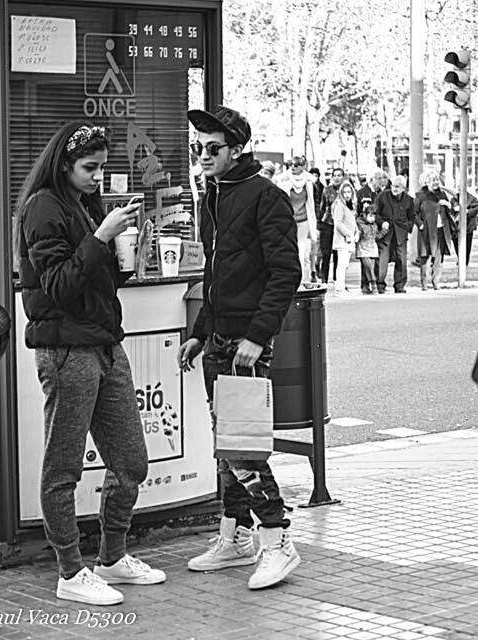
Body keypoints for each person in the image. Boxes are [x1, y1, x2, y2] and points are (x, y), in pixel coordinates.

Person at [16, 121, 166, 606]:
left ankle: (112, 556)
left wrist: (128, 254)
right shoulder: (43, 208)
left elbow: (95, 284)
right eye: (89, 167)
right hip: (65, 352)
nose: (98, 176)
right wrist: (100, 237)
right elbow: (58, 286)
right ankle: (69, 570)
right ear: (64, 164)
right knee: (63, 468)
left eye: (102, 167)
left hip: (104, 344)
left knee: (131, 462)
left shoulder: (85, 205)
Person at [178, 105, 302, 590]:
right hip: (219, 338)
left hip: (246, 342)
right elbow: (216, 275)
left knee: (242, 448)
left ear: (236, 150)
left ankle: (276, 540)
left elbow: (284, 272)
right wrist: (199, 331)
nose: (203, 157)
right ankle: (236, 535)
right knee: (226, 447)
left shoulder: (265, 197)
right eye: (198, 148)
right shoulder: (214, 194)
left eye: (212, 149)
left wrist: (258, 336)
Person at [414, 169, 455, 290]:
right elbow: (414, 213)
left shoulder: (442, 193)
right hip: (426, 230)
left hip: (441, 229)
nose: (436, 182)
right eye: (433, 180)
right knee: (424, 255)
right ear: (426, 182)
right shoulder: (420, 195)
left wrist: (448, 205)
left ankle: (436, 281)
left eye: (437, 179)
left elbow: (452, 207)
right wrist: (420, 225)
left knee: (438, 256)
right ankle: (424, 283)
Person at [374, 175, 415, 293]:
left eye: (397, 187)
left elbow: (412, 216)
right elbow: (375, 212)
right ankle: (380, 285)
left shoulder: (408, 200)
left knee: (401, 259)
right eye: (393, 186)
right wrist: (382, 223)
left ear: (403, 187)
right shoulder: (383, 196)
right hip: (385, 233)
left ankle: (400, 285)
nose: (394, 189)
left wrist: (407, 227)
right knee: (382, 259)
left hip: (400, 233)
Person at [279, 155, 317, 282]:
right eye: (291, 165)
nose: (293, 168)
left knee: (303, 252)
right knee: (289, 251)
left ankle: (303, 280)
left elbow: (312, 202)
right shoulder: (284, 180)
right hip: (289, 220)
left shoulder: (309, 181)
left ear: (302, 166)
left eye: (296, 165)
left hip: (304, 220)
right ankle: (290, 279)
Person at [318, 167, 345, 284]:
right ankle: (324, 277)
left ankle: (336, 278)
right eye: (335, 175)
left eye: (339, 175)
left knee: (338, 253)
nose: (337, 177)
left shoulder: (347, 190)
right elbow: (322, 207)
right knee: (326, 253)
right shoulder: (327, 190)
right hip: (328, 223)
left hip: (341, 224)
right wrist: (319, 224)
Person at [332, 180, 358, 296]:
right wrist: (349, 234)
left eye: (349, 192)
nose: (347, 194)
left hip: (349, 240)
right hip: (342, 240)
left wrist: (356, 232)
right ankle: (339, 288)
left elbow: (353, 222)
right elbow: (338, 223)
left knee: (345, 265)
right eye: (345, 192)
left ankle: (341, 287)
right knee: (341, 265)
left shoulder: (351, 205)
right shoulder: (339, 205)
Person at [356, 201, 385, 294]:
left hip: (372, 248)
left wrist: (384, 231)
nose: (372, 219)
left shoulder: (374, 225)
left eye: (374, 216)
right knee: (368, 267)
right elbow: (358, 235)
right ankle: (373, 284)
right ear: (365, 215)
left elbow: (377, 236)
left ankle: (365, 286)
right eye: (370, 216)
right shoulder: (360, 224)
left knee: (369, 268)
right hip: (363, 248)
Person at [450, 190, 478, 266]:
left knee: (467, 243)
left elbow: (476, 209)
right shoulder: (455, 198)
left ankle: (465, 260)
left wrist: (467, 211)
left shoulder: (472, 199)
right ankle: (460, 257)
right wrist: (455, 209)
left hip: (469, 226)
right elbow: (452, 208)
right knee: (456, 241)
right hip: (457, 226)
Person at [309, 167, 324, 281]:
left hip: (316, 219)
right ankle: (313, 269)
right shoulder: (307, 185)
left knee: (316, 246)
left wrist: (318, 219)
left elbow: (319, 205)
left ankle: (315, 267)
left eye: (316, 175)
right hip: (308, 218)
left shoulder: (321, 187)